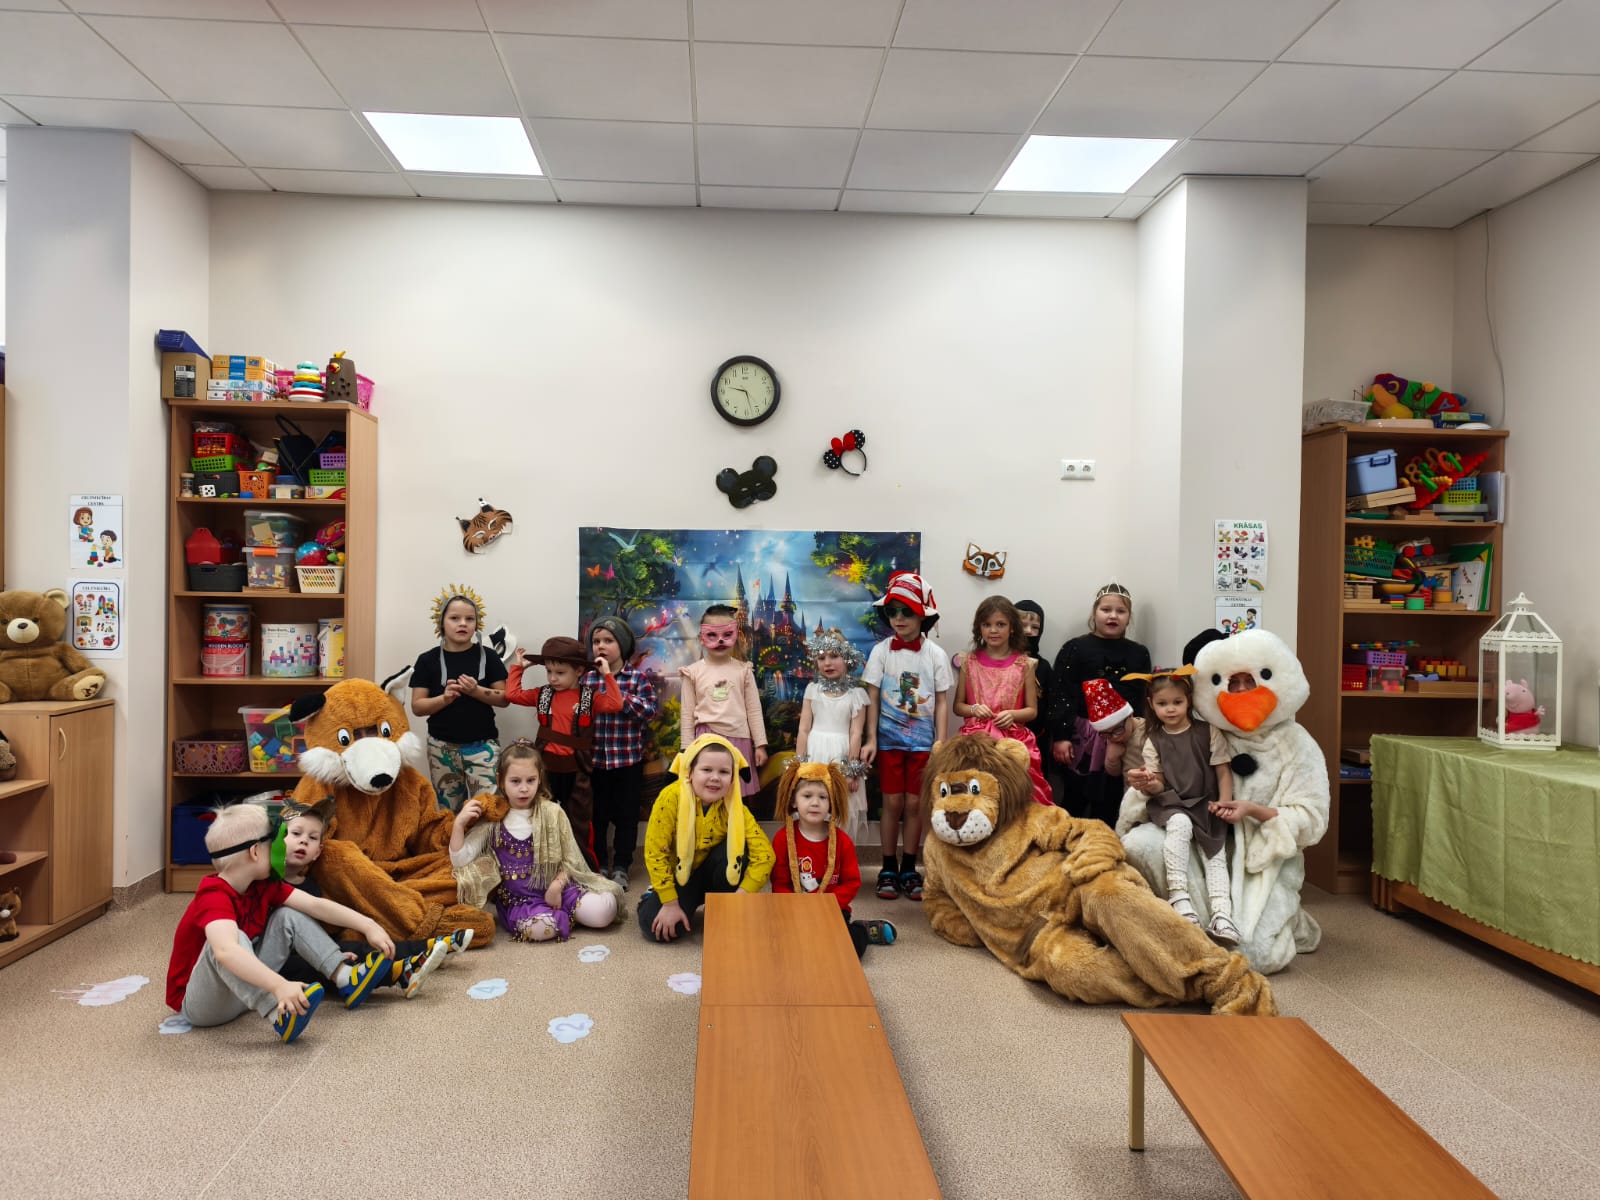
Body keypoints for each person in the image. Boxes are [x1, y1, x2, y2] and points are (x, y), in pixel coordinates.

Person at [164, 802, 397, 1043]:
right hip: (202, 1005)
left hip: (244, 991)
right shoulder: (213, 894)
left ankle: (345, 976)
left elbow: (315, 905)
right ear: (255, 852)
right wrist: (279, 986)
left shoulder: (264, 886)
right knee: (228, 942)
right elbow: (225, 952)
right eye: (275, 841)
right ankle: (279, 1013)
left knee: (288, 915)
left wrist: (368, 925)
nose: (282, 845)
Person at [273, 798, 456, 999]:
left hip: (310, 950)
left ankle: (429, 948)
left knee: (356, 948)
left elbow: (316, 927)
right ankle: (400, 973)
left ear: (317, 852)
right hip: (278, 964)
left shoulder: (311, 886)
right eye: (296, 833)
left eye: (312, 837)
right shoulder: (269, 881)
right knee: (315, 966)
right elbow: (311, 912)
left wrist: (330, 951)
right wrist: (329, 956)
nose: (304, 841)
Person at [449, 741, 622, 942]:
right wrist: (458, 824)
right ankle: (561, 917)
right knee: (541, 929)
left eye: (530, 780)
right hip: (520, 901)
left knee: (605, 911)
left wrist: (557, 885)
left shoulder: (553, 812)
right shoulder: (493, 820)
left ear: (540, 778)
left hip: (560, 889)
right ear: (500, 780)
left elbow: (571, 860)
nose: (524, 789)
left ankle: (563, 912)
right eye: (515, 781)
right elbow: (460, 860)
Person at [1122, 670, 1240, 945]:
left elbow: (1223, 772)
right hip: (1173, 803)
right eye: (1163, 704)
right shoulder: (1153, 740)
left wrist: (1224, 802)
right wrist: (1148, 782)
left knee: (1215, 856)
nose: (1171, 709)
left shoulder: (1208, 732)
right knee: (1180, 823)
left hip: (1206, 803)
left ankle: (1222, 915)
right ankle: (1179, 897)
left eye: (1177, 702)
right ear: (1151, 704)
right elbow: (1159, 785)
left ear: (1189, 700)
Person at [861, 571, 950, 902]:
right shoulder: (881, 651)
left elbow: (942, 700)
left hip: (923, 744)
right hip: (889, 743)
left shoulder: (936, 655)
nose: (898, 618)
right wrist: (871, 739)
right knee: (892, 802)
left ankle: (910, 866)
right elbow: (871, 696)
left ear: (923, 615)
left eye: (907, 611)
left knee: (915, 804)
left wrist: (940, 742)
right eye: (892, 611)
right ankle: (887, 866)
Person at [637, 734, 774, 942]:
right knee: (654, 927)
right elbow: (655, 851)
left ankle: (721, 906)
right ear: (690, 772)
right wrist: (670, 902)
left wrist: (743, 894)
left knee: (740, 850)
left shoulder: (736, 807)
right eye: (707, 770)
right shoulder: (670, 798)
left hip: (713, 873)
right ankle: (654, 896)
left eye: (724, 772)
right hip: (679, 878)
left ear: (733, 777)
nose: (715, 778)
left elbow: (765, 855)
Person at [505, 635, 623, 870]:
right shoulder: (543, 694)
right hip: (546, 771)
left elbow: (616, 703)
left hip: (577, 771)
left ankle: (583, 869)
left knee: (579, 823)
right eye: (549, 671)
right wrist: (518, 667)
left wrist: (606, 674)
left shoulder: (589, 697)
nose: (552, 678)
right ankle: (543, 867)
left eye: (559, 672)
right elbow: (512, 695)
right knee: (542, 819)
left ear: (579, 671)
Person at [1048, 582, 1152, 824]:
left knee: (1112, 797)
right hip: (1081, 737)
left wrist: (1138, 735)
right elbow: (1061, 692)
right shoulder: (1075, 648)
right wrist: (1061, 736)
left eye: (1120, 611)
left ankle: (1106, 841)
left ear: (1129, 617)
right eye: (1106, 610)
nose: (1113, 616)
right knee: (1074, 794)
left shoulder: (1139, 653)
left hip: (1124, 736)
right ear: (1094, 613)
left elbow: (1142, 696)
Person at [770, 761, 896, 958]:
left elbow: (852, 882)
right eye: (807, 796)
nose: (815, 803)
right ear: (794, 800)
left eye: (823, 797)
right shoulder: (782, 839)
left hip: (832, 910)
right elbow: (779, 883)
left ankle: (862, 930)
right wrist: (797, 907)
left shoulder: (842, 841)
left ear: (831, 803)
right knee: (783, 948)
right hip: (795, 910)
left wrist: (825, 905)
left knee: (845, 950)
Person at [410, 586, 507, 812]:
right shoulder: (427, 660)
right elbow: (417, 707)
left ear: (476, 623)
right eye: (455, 618)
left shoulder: (489, 657)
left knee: (488, 809)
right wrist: (444, 699)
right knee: (449, 812)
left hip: (483, 746)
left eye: (469, 619)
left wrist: (476, 691)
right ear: (441, 622)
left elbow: (504, 698)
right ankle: (451, 838)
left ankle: (484, 839)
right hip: (441, 748)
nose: (463, 624)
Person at [581, 616, 660, 890]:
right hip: (596, 761)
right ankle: (600, 863)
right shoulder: (587, 678)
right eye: (596, 641)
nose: (601, 646)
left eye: (608, 641)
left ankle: (622, 865)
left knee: (627, 817)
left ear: (623, 645)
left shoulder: (637, 678)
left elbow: (650, 711)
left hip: (627, 762)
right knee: (598, 816)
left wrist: (617, 695)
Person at [952, 595, 1053, 807]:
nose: (993, 630)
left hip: (1013, 741)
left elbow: (1032, 710)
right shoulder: (968, 662)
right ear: (979, 628)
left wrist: (1013, 714)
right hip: (976, 742)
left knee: (1015, 800)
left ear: (1012, 627)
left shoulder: (1025, 664)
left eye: (1000, 624)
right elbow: (958, 706)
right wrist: (974, 709)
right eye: (986, 624)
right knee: (975, 799)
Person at [678, 604, 768, 797]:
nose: (720, 640)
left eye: (727, 634)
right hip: (705, 740)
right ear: (701, 637)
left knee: (737, 796)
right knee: (708, 795)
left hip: (739, 741)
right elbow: (687, 713)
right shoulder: (692, 672)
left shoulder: (744, 670)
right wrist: (686, 749)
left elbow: (754, 710)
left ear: (736, 636)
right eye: (712, 635)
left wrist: (760, 744)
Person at [794, 627, 870, 841]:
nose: (827, 663)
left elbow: (856, 733)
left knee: (841, 808)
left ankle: (839, 855)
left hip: (841, 756)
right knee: (815, 804)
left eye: (834, 656)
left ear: (847, 659)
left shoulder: (856, 694)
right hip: (816, 753)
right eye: (821, 658)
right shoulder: (813, 690)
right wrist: (800, 765)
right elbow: (804, 729)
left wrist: (851, 769)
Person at [1014, 600, 1057, 800]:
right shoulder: (999, 661)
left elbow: (1050, 703)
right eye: (1022, 625)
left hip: (1037, 741)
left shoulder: (1044, 666)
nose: (1028, 631)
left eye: (1035, 627)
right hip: (1003, 737)